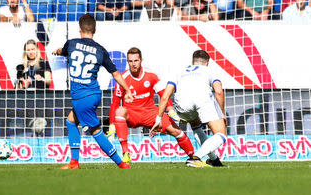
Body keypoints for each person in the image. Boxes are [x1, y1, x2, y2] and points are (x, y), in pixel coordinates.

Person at [52, 14, 134, 169]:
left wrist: (57, 51)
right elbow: (116, 73)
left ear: (79, 29)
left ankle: (121, 163)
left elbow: (63, 51)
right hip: (94, 94)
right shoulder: (100, 50)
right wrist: (127, 89)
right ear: (94, 30)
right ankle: (74, 162)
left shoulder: (71, 44)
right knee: (70, 121)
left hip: (82, 96)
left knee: (95, 131)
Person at [107, 47, 195, 164]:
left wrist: (170, 110)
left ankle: (193, 157)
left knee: (176, 131)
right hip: (132, 114)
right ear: (127, 62)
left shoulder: (151, 75)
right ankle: (125, 153)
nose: (133, 64)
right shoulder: (123, 78)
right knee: (119, 111)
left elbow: (163, 95)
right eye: (130, 61)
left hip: (150, 113)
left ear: (141, 60)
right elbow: (115, 103)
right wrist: (112, 125)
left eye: (136, 60)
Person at [150, 50, 227, 168]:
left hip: (182, 104)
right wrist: (222, 114)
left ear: (192, 62)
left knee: (196, 126)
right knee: (221, 134)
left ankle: (214, 160)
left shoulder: (179, 72)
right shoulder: (209, 70)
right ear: (207, 62)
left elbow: (165, 96)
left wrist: (158, 119)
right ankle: (196, 158)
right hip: (202, 99)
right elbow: (219, 92)